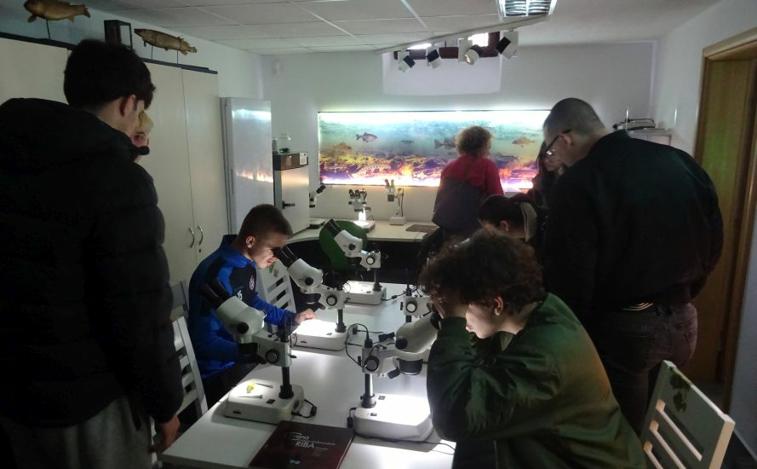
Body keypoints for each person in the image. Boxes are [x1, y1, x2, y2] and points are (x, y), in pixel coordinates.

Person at [0, 40, 182, 469]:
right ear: (129, 103)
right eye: (140, 111)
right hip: (87, 400)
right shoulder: (118, 180)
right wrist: (166, 405)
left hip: (12, 392)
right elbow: (139, 312)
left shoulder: (10, 156)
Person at [541, 97, 723, 433]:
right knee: (656, 422)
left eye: (552, 149)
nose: (555, 157)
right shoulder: (679, 161)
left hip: (624, 329)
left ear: (565, 139)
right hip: (683, 320)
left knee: (618, 432)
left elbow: (570, 275)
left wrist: (567, 338)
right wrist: (682, 293)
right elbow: (713, 241)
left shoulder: (580, 181)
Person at [419, 231, 645, 469]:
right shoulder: (546, 311)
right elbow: (480, 365)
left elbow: (453, 419)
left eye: (461, 310)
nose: (463, 321)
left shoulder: (545, 360)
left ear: (496, 304)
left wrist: (453, 324)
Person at [187, 204, 316, 408]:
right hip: (218, 374)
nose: (276, 257)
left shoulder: (246, 264)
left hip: (241, 360)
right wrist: (250, 352)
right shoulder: (215, 275)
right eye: (274, 250)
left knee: (307, 381)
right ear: (250, 241)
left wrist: (290, 318)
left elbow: (252, 302)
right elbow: (203, 343)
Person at [432, 126, 504, 240]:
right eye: (488, 146)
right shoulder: (487, 166)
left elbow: (441, 197)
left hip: (448, 228)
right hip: (475, 232)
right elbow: (497, 199)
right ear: (482, 146)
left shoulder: (448, 167)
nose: (489, 151)